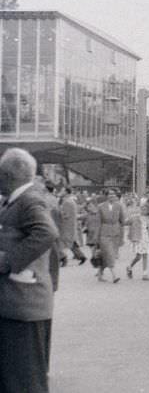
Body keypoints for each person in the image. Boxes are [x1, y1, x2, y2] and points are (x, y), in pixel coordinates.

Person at [0, 149, 60, 393]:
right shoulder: (15, 200)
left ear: (6, 174)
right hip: (16, 303)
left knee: (25, 382)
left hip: (24, 305)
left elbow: (47, 233)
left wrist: (8, 261)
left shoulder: (29, 200)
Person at [94, 188, 125, 283]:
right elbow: (98, 222)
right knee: (109, 254)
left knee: (107, 255)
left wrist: (122, 235)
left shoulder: (119, 206)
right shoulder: (100, 206)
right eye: (110, 194)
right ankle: (114, 275)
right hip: (104, 232)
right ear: (106, 195)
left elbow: (122, 221)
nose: (112, 196)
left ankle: (100, 273)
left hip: (115, 232)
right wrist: (96, 237)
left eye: (114, 194)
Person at [126, 198, 149, 280]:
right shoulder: (135, 217)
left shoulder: (148, 218)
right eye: (143, 208)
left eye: (146, 208)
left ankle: (145, 274)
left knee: (145, 255)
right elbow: (126, 222)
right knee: (138, 257)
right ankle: (129, 266)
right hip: (138, 238)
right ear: (140, 209)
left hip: (146, 238)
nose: (144, 210)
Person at [59, 188, 86, 265]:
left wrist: (58, 213)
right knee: (71, 243)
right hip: (71, 225)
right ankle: (81, 256)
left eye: (62, 191)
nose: (60, 192)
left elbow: (65, 215)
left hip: (66, 226)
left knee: (60, 243)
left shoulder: (66, 202)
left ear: (66, 192)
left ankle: (63, 258)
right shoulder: (71, 201)